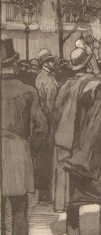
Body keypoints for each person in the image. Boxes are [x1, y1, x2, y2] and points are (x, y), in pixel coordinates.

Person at [52, 47, 101, 235]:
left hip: (71, 150)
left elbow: (55, 114)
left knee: (74, 197)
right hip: (96, 150)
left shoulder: (66, 86)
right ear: (89, 62)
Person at [2, 38, 48, 235]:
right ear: (16, 63)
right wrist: (31, 150)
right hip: (18, 153)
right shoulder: (28, 91)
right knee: (19, 210)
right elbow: (41, 129)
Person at [34, 48, 58, 203]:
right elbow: (49, 104)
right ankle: (46, 194)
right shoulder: (47, 79)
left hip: (42, 122)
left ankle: (44, 193)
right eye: (50, 60)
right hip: (48, 123)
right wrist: (54, 122)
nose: (53, 62)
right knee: (48, 158)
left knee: (44, 158)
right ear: (45, 63)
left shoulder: (42, 76)